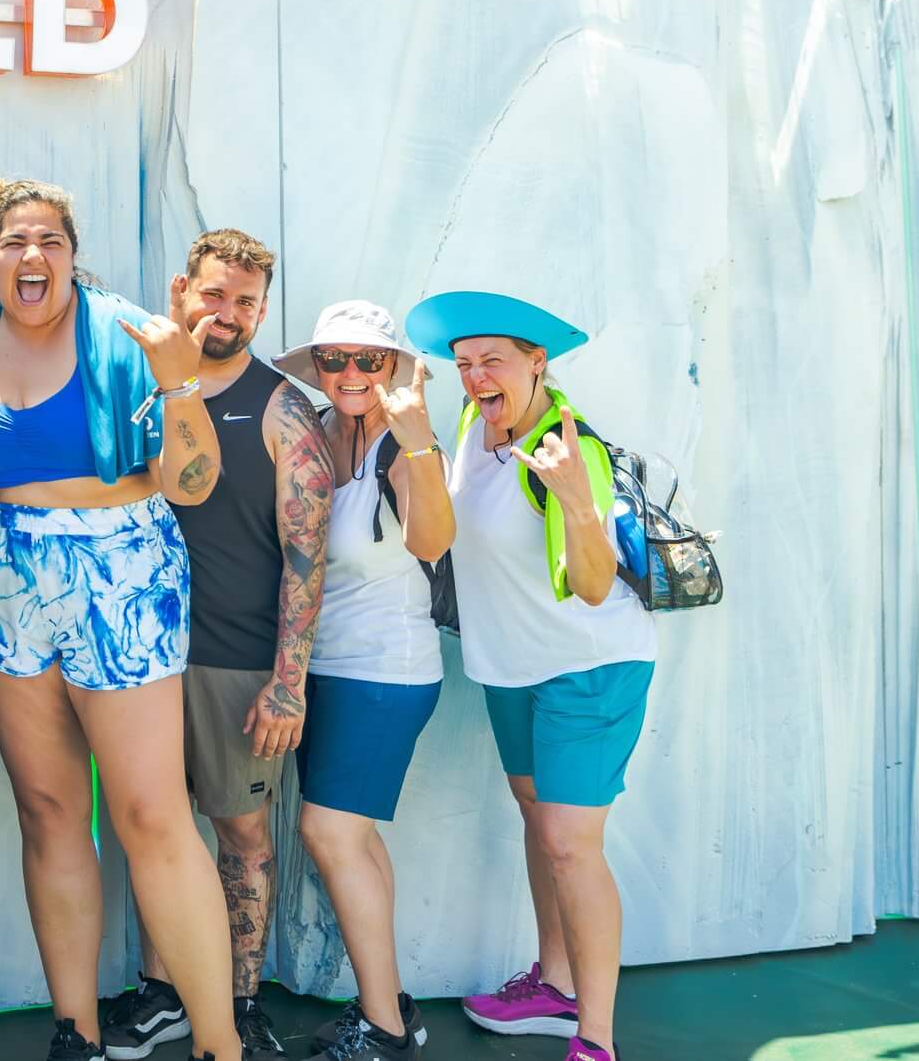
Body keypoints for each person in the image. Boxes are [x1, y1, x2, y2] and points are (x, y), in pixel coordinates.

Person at [0, 178, 242, 1061]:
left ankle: (219, 1045)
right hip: (10, 575)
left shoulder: (124, 334)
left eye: (49, 239)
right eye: (13, 241)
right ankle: (75, 1034)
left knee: (151, 815)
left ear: (73, 253)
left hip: (120, 565)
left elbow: (193, 484)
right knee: (48, 810)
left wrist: (181, 385)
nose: (32, 255)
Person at [406, 291, 656, 1061]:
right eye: (465, 363)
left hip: (588, 667)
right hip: (510, 665)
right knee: (538, 820)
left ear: (536, 361)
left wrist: (579, 502)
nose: (477, 375)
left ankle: (597, 1038)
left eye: (494, 360)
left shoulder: (569, 446)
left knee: (571, 842)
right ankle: (553, 982)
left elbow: (591, 583)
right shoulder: (472, 429)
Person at [101, 232, 329, 1061]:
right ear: (180, 290)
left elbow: (308, 552)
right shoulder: (136, 380)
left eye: (245, 303)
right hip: (133, 651)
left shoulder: (280, 405)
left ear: (261, 311)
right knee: (154, 828)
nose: (226, 315)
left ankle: (238, 1000)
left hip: (233, 660)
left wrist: (287, 682)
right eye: (214, 295)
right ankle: (164, 993)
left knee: (239, 837)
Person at [275, 303, 453, 1061]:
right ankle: (393, 1009)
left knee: (329, 829)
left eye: (368, 360)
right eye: (334, 359)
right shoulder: (319, 427)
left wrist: (417, 447)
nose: (350, 374)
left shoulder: (403, 441)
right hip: (330, 669)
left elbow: (433, 540)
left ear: (392, 367)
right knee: (357, 839)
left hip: (386, 669)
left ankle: (381, 1029)